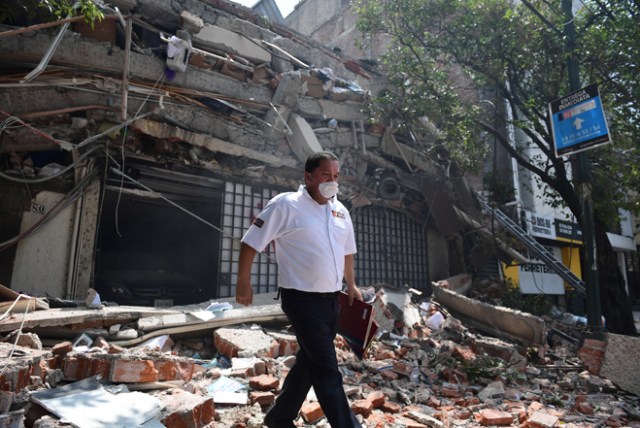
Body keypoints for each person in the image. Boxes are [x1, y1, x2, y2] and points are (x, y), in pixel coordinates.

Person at [236, 151, 363, 428]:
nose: (333, 181)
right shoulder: (286, 205)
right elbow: (251, 242)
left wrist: (351, 285)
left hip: (332, 301)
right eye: (326, 176)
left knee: (310, 361)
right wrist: (243, 280)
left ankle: (279, 418)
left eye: (336, 176)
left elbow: (347, 251)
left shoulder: (340, 210)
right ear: (308, 177)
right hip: (302, 301)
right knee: (328, 371)